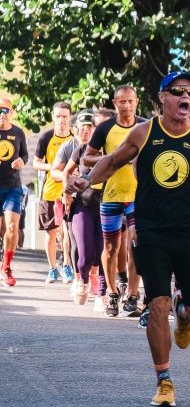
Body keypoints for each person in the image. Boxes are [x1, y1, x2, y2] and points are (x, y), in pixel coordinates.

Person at [72, 71, 190, 407]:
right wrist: (86, 181)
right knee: (156, 303)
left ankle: (184, 311)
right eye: (177, 91)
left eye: (189, 91)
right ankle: (164, 380)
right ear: (162, 98)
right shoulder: (144, 133)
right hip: (152, 232)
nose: (184, 97)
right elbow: (113, 161)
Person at [84, 84, 146, 317]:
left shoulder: (144, 126)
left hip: (137, 196)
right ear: (115, 103)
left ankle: (132, 294)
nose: (127, 106)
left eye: (131, 101)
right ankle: (111, 293)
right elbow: (88, 156)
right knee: (111, 247)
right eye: (122, 102)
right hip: (111, 195)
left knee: (135, 242)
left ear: (137, 101)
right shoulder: (105, 128)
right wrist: (112, 159)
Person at [55, 111, 101, 305]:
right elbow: (61, 171)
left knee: (101, 249)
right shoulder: (76, 149)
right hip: (81, 203)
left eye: (90, 127)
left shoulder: (109, 148)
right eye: (82, 128)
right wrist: (67, 192)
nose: (86, 131)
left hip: (106, 203)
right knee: (82, 247)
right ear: (76, 130)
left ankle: (102, 289)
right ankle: (81, 279)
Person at [33, 101, 74, 284]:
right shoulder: (46, 137)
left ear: (70, 117)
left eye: (65, 116)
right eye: (58, 116)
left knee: (67, 232)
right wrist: (54, 167)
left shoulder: (76, 138)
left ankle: (66, 265)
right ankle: (52, 269)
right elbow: (35, 163)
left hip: (70, 193)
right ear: (53, 117)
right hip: (50, 191)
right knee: (51, 234)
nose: (61, 120)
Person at [0, 96, 28, 286]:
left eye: (5, 111)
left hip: (12, 187)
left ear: (11, 113)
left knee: (12, 226)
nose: (2, 115)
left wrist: (22, 162)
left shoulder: (18, 133)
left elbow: (25, 154)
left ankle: (7, 266)